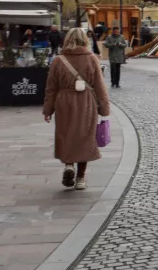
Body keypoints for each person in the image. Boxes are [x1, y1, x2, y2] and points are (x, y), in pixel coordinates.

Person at [42, 28, 110, 191]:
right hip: (86, 102)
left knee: (66, 134)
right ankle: (80, 178)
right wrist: (104, 109)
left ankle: (69, 165)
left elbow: (51, 87)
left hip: (64, 102)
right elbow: (99, 86)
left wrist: (48, 109)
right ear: (84, 40)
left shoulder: (59, 60)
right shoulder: (91, 58)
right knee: (84, 136)